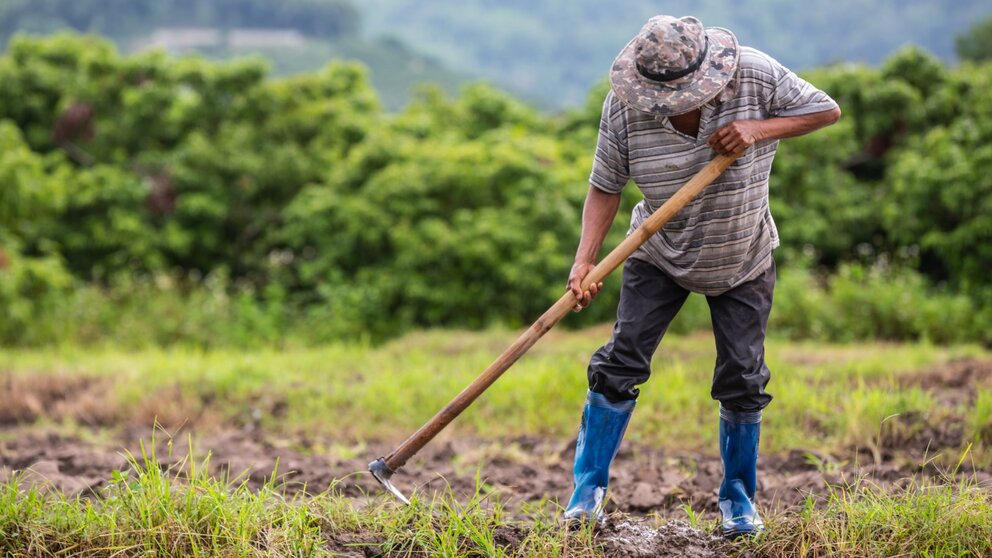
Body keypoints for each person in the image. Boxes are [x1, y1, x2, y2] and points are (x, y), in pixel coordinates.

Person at [563, 15, 841, 538]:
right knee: (620, 362)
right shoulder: (625, 107)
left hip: (743, 254)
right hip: (657, 250)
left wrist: (757, 129)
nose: (670, 105)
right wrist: (585, 261)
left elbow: (825, 110)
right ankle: (586, 495)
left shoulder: (755, 75)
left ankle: (738, 501)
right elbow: (605, 185)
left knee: (742, 377)